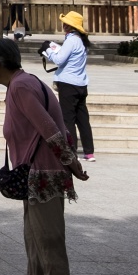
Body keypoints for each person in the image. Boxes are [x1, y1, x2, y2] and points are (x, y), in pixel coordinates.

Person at [0, 36, 87, 275]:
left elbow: (50, 129)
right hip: (34, 174)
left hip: (45, 174)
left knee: (49, 241)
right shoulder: (19, 84)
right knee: (35, 240)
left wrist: (72, 163)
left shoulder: (23, 87)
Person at [43, 10, 95, 161]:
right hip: (81, 84)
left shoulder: (71, 40)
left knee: (68, 119)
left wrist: (47, 50)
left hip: (68, 84)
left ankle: (71, 151)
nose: (63, 25)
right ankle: (89, 152)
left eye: (65, 23)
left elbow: (59, 60)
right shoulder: (82, 41)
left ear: (69, 26)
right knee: (83, 119)